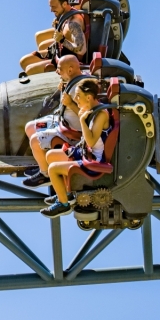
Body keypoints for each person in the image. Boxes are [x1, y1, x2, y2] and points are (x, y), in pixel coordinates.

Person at [41, 79, 112, 217]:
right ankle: (66, 194)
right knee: (50, 156)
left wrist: (81, 121)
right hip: (85, 153)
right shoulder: (92, 109)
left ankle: (64, 204)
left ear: (89, 97)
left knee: (53, 169)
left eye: (78, 96)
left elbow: (91, 142)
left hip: (94, 161)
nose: (75, 99)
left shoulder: (101, 114)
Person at [22, 55, 86, 187]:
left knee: (35, 140)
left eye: (59, 69)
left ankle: (45, 175)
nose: (57, 71)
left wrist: (71, 104)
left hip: (71, 132)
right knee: (30, 127)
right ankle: (43, 163)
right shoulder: (73, 79)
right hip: (59, 121)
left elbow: (89, 117)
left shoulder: (81, 89)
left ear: (70, 69)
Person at [20, 0, 86, 74]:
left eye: (54, 7)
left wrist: (62, 40)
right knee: (24, 61)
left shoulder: (74, 23)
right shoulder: (65, 14)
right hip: (57, 52)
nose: (51, 10)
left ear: (64, 4)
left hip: (66, 61)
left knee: (30, 69)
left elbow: (81, 50)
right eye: (50, 6)